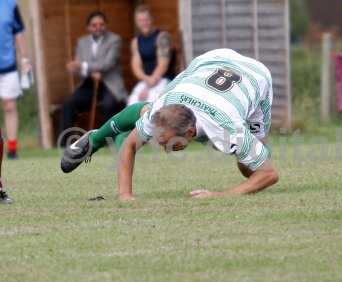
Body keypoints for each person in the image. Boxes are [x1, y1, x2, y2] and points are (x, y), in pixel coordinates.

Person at [61, 49, 279, 201]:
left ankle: (251, 153)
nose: (163, 149)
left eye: (169, 144)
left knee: (250, 168)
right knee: (149, 108)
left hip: (255, 75)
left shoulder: (229, 128)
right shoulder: (162, 108)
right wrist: (125, 196)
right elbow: (130, 145)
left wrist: (219, 195)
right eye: (160, 141)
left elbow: (269, 174)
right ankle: (95, 139)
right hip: (208, 63)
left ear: (191, 132)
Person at [61, 11, 127, 143]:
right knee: (68, 104)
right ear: (88, 27)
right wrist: (81, 69)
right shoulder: (82, 42)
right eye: (94, 25)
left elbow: (108, 63)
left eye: (101, 24)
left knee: (108, 105)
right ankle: (64, 144)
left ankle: (110, 142)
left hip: (110, 84)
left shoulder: (115, 40)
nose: (98, 27)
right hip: (89, 83)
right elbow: (80, 70)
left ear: (105, 26)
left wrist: (83, 66)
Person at [0, 0, 31, 159]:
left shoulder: (10, 5)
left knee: (10, 106)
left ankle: (12, 149)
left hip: (8, 66)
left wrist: (24, 58)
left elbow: (18, 32)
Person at [127, 5, 174, 106]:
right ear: (136, 22)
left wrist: (149, 85)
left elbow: (163, 65)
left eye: (146, 19)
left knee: (152, 104)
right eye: (140, 20)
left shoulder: (162, 37)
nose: (144, 23)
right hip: (147, 80)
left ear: (152, 19)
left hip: (163, 79)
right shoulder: (135, 41)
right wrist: (146, 81)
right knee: (132, 104)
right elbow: (136, 67)